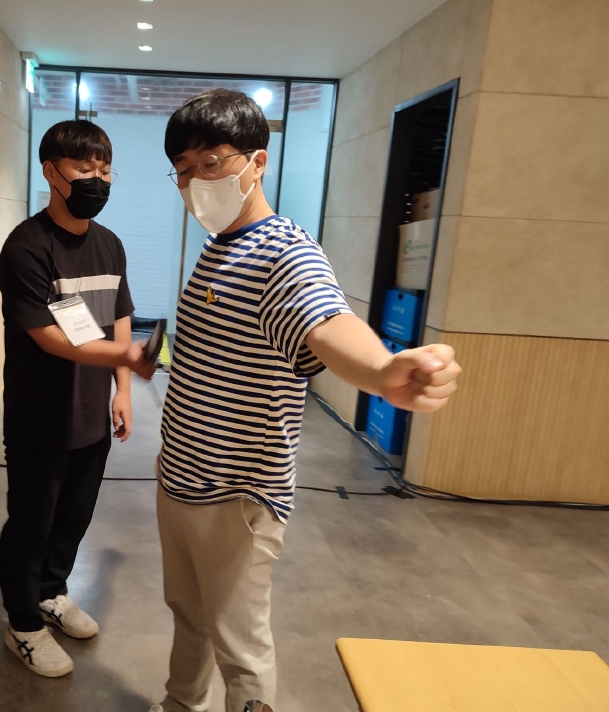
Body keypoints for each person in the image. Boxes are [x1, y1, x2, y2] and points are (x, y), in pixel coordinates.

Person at [149, 90, 462, 712]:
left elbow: (324, 320)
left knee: (240, 644)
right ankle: (182, 703)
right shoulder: (220, 245)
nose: (195, 182)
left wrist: (381, 370)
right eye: (182, 170)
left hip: (237, 493)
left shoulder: (284, 251)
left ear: (256, 162)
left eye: (210, 163)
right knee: (190, 614)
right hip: (182, 476)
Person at [0, 120, 153, 678]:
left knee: (74, 518)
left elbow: (120, 315)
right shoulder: (26, 247)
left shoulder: (109, 244)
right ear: (51, 172)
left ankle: (51, 593)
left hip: (91, 416)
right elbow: (49, 338)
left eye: (105, 170)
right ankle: (22, 625)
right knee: (30, 525)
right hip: (39, 417)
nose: (97, 180)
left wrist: (123, 390)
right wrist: (126, 356)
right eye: (84, 168)